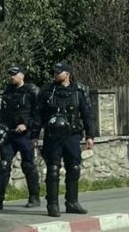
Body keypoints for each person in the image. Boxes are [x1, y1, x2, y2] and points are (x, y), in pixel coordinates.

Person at [38, 61, 95, 217]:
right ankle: (52, 204)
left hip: (72, 135)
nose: (55, 75)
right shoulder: (48, 91)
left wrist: (90, 135)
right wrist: (34, 136)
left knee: (74, 168)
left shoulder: (77, 92)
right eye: (54, 72)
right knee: (53, 169)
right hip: (52, 137)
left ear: (67, 74)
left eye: (58, 72)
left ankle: (72, 202)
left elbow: (87, 115)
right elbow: (39, 114)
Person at [0, 65, 41, 210]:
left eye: (14, 74)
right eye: (10, 74)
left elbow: (38, 113)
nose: (11, 77)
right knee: (3, 165)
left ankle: (34, 197)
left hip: (25, 134)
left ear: (22, 75)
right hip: (10, 133)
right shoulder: (8, 92)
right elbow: (3, 113)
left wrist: (27, 125)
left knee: (28, 165)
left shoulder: (31, 91)